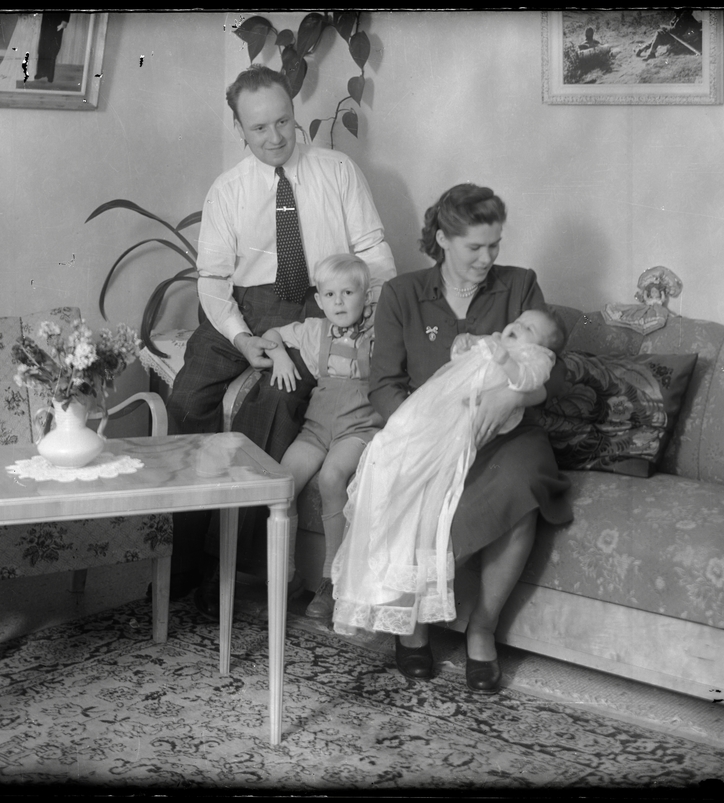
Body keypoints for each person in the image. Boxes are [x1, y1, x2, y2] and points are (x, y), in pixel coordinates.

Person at [166, 64, 396, 610]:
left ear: (294, 114)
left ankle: (237, 571)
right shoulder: (228, 190)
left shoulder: (338, 171)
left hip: (316, 301)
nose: (274, 137)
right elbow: (213, 281)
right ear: (239, 129)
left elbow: (375, 254)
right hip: (242, 304)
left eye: (283, 122)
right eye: (259, 127)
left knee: (276, 398)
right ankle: (184, 562)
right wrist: (243, 339)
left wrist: (361, 314)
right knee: (187, 400)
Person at [333, 183, 573, 693]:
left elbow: (552, 371)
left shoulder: (520, 285)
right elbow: (384, 385)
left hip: (506, 433)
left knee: (522, 482)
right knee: (412, 491)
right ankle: (412, 625)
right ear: (442, 239)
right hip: (429, 432)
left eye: (495, 245)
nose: (488, 258)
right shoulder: (403, 294)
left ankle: (482, 629)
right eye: (475, 247)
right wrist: (425, 431)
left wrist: (509, 399)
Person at [259, 254, 384, 620]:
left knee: (331, 477)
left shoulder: (379, 330)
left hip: (358, 428)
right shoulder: (314, 330)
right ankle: (287, 577)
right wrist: (280, 357)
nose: (339, 302)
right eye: (330, 294)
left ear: (366, 296)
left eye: (348, 293)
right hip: (316, 428)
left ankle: (332, 580)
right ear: (319, 298)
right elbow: (271, 335)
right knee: (282, 481)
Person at [637, 10, 702, 61]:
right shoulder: (679, 15)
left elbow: (674, 30)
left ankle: (649, 52)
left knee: (659, 33)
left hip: (676, 37)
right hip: (673, 35)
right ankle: (645, 50)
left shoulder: (685, 16)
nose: (674, 10)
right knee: (659, 34)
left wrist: (664, 27)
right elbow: (672, 25)